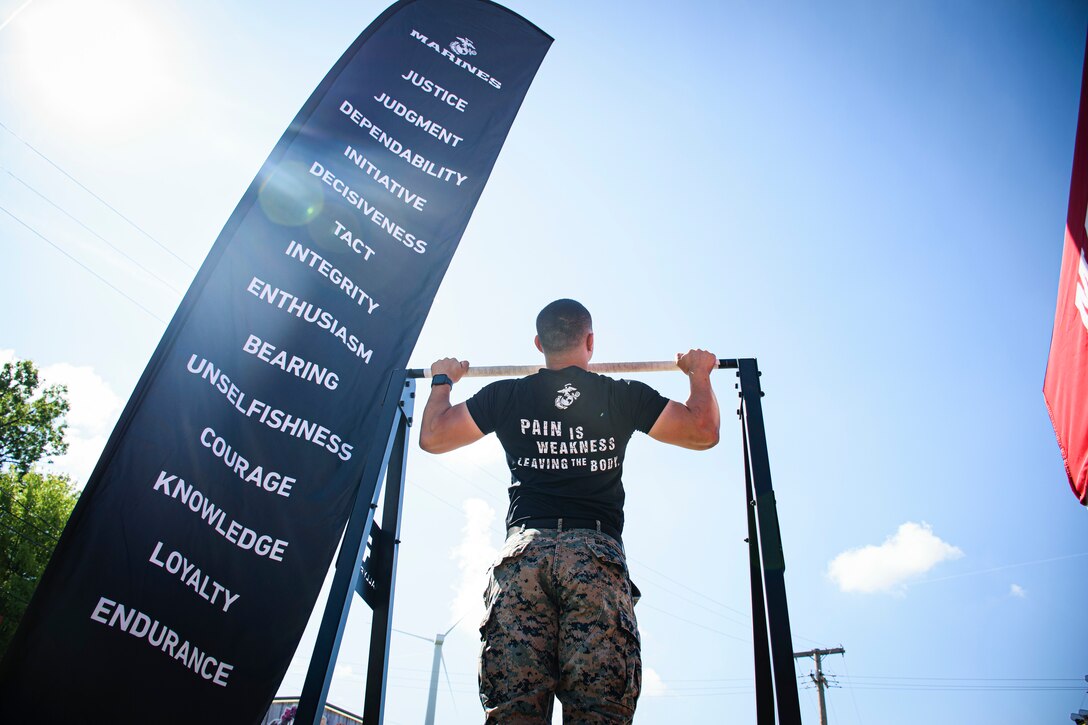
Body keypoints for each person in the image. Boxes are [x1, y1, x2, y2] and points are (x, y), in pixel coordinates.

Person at [419, 299, 720, 724]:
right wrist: (699, 373)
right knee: (598, 713)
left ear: (539, 344)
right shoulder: (621, 395)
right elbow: (702, 432)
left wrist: (443, 380)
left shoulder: (508, 394)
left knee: (514, 714)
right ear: (591, 341)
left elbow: (433, 436)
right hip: (594, 559)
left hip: (526, 555)